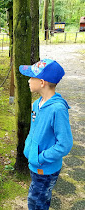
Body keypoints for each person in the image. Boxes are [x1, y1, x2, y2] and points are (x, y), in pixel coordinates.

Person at [19, 59, 73, 210]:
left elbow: (65, 144)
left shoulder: (57, 109)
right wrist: (29, 149)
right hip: (35, 165)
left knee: (37, 203)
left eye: (31, 77)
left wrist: (41, 158)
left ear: (42, 82)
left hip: (46, 169)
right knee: (35, 199)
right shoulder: (37, 104)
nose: (29, 81)